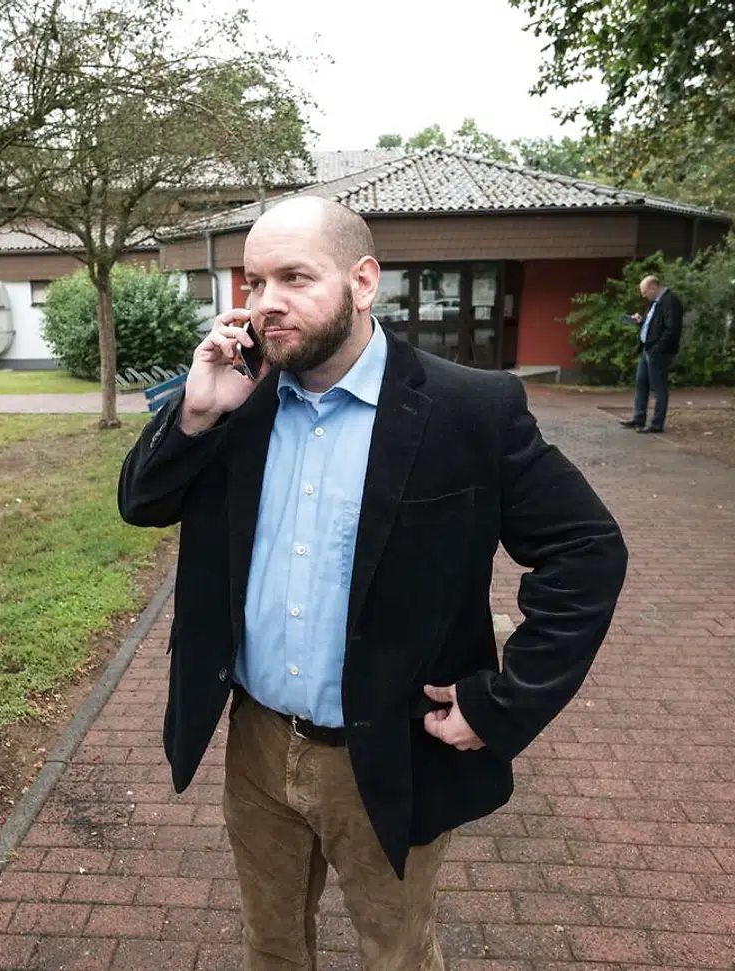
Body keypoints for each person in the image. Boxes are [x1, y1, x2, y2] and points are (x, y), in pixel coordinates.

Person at [116, 196, 628, 971]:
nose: (265, 303)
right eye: (254, 282)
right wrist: (195, 413)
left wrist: (505, 701)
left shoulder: (467, 409)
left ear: (363, 282)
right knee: (271, 945)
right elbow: (142, 504)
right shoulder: (238, 400)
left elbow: (586, 549)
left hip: (390, 754)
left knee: (396, 953)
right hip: (258, 745)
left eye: (294, 277)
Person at [619, 274, 683, 433]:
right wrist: (640, 321)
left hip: (658, 352)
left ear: (654, 287)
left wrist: (657, 348)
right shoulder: (654, 302)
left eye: (645, 292)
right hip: (647, 349)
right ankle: (638, 418)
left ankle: (656, 424)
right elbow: (653, 325)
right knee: (641, 384)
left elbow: (672, 329)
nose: (644, 296)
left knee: (658, 388)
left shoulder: (670, 301)